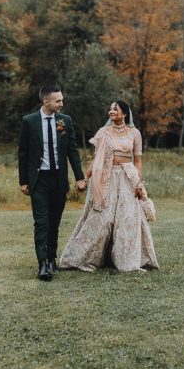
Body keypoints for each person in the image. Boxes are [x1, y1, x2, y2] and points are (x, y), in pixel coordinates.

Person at [59, 100, 159, 272]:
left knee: (127, 219)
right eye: (110, 108)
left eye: (115, 109)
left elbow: (138, 161)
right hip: (107, 178)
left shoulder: (135, 133)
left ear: (124, 114)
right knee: (103, 219)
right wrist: (85, 178)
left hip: (128, 178)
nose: (111, 111)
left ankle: (127, 260)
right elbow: (96, 159)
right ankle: (81, 258)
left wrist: (138, 182)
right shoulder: (103, 132)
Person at [18, 85, 86, 281]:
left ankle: (51, 258)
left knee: (54, 222)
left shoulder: (65, 120)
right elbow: (23, 153)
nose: (61, 103)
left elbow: (72, 150)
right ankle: (42, 264)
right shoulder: (29, 121)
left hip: (59, 179)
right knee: (41, 223)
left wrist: (79, 177)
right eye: (58, 100)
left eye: (62, 99)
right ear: (45, 101)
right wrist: (23, 181)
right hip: (39, 180)